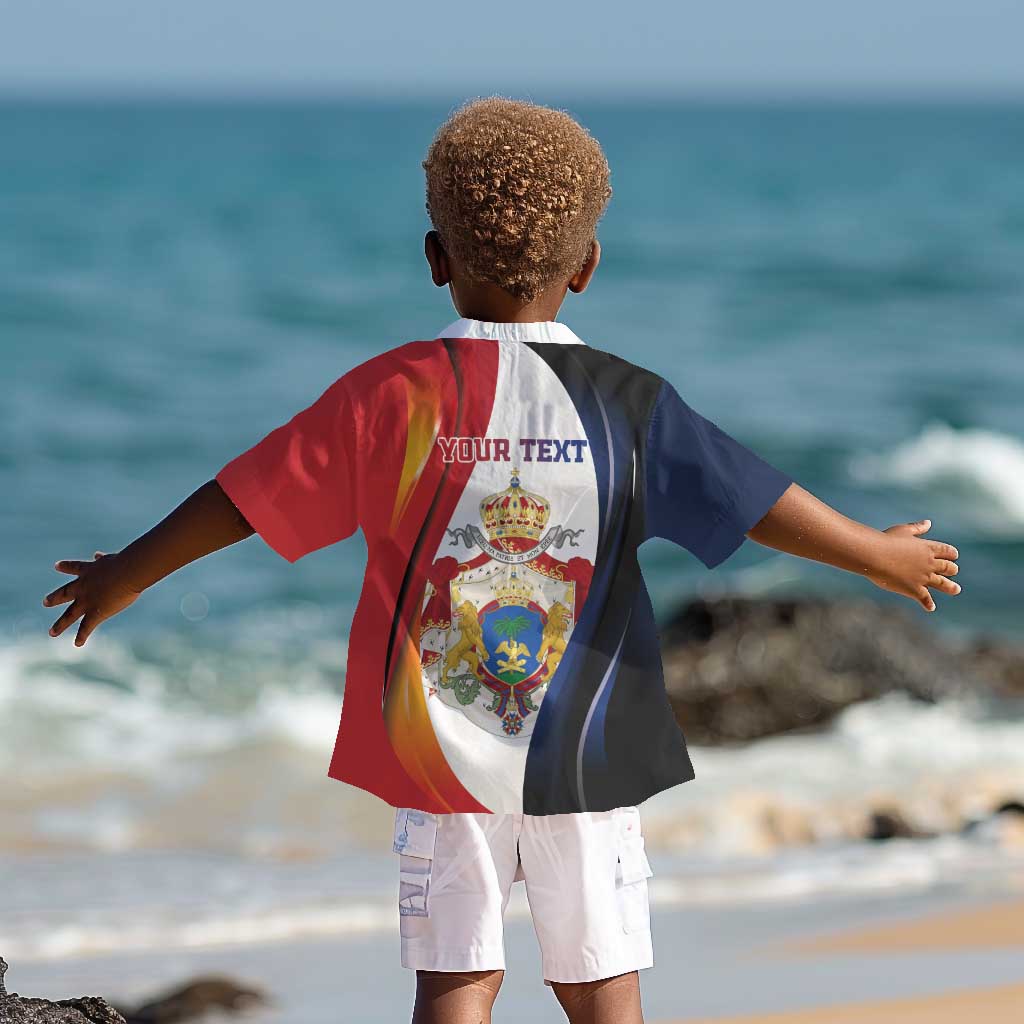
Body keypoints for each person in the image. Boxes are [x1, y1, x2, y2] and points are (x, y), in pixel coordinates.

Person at [43, 98, 961, 1024]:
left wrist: (129, 572)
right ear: (587, 265)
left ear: (435, 258)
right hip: (588, 748)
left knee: (456, 977)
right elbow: (751, 501)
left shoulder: (389, 396)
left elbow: (249, 499)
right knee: (601, 980)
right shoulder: (629, 404)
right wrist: (875, 554)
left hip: (437, 749)